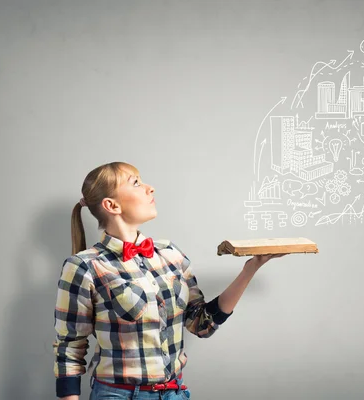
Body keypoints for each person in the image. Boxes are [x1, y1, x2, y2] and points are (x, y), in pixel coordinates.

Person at [53, 161, 286, 399]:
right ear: (111, 205)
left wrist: (251, 268)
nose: (150, 188)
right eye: (136, 183)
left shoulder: (170, 254)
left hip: (174, 393)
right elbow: (69, 347)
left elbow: (202, 324)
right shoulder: (84, 266)